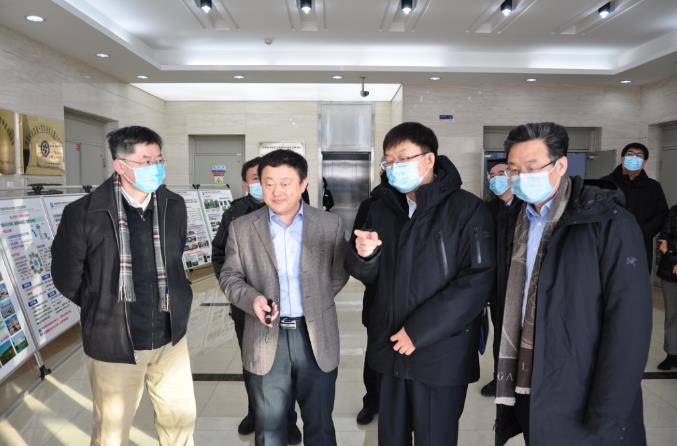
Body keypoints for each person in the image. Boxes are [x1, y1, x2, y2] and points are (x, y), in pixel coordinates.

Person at [495, 122, 652, 445]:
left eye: (532, 167)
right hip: (531, 380)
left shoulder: (609, 223)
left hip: (583, 388)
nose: (521, 177)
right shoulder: (518, 221)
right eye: (514, 169)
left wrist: (609, 414)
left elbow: (629, 326)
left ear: (561, 165)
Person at [345, 122, 495, 446]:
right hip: (389, 347)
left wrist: (419, 331)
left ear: (429, 160)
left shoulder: (467, 210)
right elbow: (364, 274)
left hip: (440, 353)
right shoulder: (380, 208)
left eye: (403, 158)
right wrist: (365, 256)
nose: (393, 167)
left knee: (434, 437)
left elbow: (477, 279)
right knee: (391, 437)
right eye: (388, 160)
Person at [51, 126, 196, 446]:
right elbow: (66, 277)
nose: (155, 168)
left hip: (171, 336)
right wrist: (102, 303)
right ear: (120, 165)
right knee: (111, 432)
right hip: (115, 341)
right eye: (145, 161)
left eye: (159, 160)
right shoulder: (84, 213)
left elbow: (175, 258)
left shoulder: (173, 205)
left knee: (180, 421)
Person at [220, 149, 348, 446]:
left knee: (320, 425)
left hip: (314, 336)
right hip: (265, 336)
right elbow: (230, 276)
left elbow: (338, 274)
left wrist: (314, 301)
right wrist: (251, 299)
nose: (276, 191)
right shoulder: (242, 228)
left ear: (303, 184)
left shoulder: (329, 225)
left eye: (285, 183)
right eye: (268, 183)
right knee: (269, 429)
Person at [211, 157, 301, 442]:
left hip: (289, 309)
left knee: (288, 365)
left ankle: (288, 419)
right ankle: (256, 412)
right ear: (247, 184)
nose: (266, 186)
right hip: (247, 308)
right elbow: (220, 255)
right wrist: (239, 292)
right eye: (257, 180)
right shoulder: (235, 214)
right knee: (254, 363)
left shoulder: (292, 208)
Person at [480, 163, 522, 398]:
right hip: (497, 285)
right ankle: (500, 378)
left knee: (524, 334)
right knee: (500, 335)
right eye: (492, 175)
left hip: (522, 285)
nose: (496, 179)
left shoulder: (526, 207)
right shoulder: (486, 210)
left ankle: (524, 378)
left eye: (501, 174)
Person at [601, 143, 668, 270]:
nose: (634, 158)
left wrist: (641, 233)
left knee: (637, 277)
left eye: (639, 156)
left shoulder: (653, 187)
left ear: (644, 162)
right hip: (610, 242)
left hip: (641, 243)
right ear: (622, 159)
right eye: (630, 154)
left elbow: (661, 215)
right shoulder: (605, 183)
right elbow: (597, 211)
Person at [351, 184, 385, 425]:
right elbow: (355, 251)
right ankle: (371, 401)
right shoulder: (372, 205)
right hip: (378, 296)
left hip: (416, 301)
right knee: (374, 354)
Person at [657, 203, 677, 370]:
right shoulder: (674, 212)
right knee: (672, 314)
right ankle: (672, 354)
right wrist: (673, 258)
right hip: (669, 271)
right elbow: (663, 242)